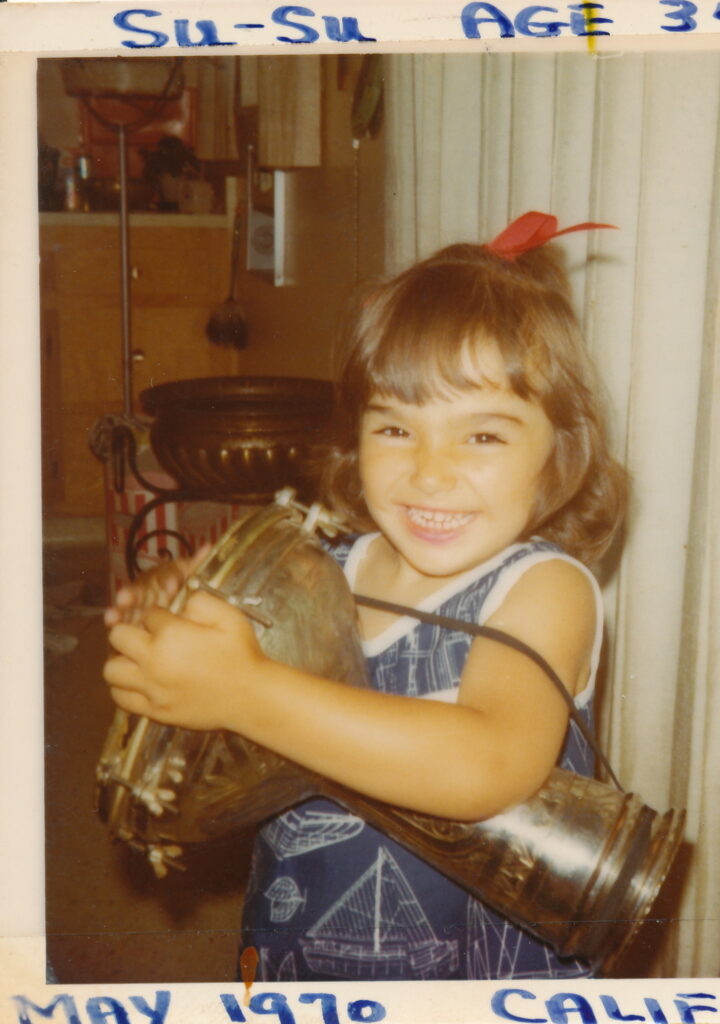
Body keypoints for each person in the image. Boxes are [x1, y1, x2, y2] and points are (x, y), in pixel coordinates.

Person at [103, 211, 628, 982]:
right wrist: (181, 608)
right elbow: (231, 710)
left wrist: (244, 688)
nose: (430, 472)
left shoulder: (543, 590)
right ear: (357, 438)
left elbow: (490, 765)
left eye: (483, 436)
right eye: (395, 429)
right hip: (301, 938)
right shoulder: (329, 568)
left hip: (467, 983)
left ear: (559, 454)